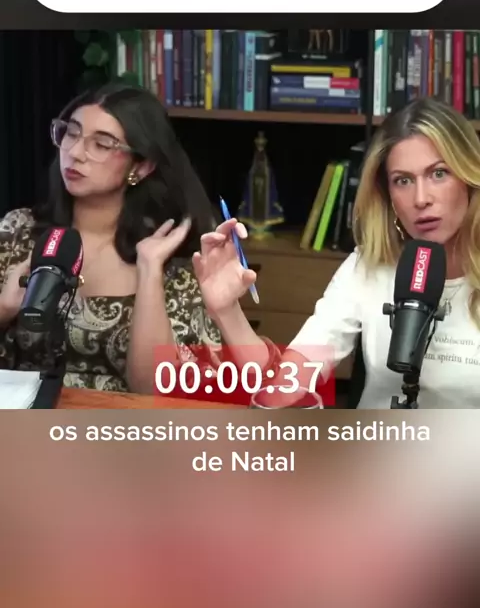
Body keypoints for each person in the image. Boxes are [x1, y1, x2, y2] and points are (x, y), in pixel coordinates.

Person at [193, 97, 480, 409]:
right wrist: (227, 311)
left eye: (438, 174)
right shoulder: (369, 264)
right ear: (387, 195)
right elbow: (288, 383)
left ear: (469, 177)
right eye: (403, 180)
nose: (421, 198)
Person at [0, 83, 228, 393]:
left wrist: (149, 271)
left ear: (141, 166)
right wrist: (4, 309)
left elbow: (153, 390)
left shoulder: (173, 254)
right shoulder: (17, 232)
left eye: (102, 144)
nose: (75, 153)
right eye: (71, 133)